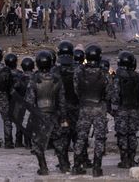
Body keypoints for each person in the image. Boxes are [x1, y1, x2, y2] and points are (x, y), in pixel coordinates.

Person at [25, 51, 67, 175]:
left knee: (38, 144)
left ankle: (43, 168)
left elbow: (29, 101)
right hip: (55, 115)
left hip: (39, 116)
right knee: (59, 142)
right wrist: (63, 117)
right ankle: (64, 166)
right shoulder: (57, 79)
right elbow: (62, 101)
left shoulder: (34, 79)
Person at [72, 45, 111, 177]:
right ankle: (96, 168)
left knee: (81, 138)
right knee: (99, 139)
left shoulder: (79, 71)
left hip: (84, 107)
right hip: (99, 107)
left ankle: (76, 166)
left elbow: (76, 90)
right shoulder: (104, 73)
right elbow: (109, 93)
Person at [111, 51, 139, 168]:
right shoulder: (137, 77)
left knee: (122, 135)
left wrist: (114, 109)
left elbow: (115, 94)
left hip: (122, 110)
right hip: (134, 110)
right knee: (132, 134)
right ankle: (132, 159)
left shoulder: (118, 77)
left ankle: (124, 160)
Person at [55, 41, 78, 169]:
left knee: (63, 136)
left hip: (60, 111)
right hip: (76, 108)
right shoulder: (79, 69)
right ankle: (80, 162)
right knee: (78, 136)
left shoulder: (55, 70)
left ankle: (64, 163)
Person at [4, 53, 24, 148]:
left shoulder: (3, 73)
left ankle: (8, 141)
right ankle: (18, 141)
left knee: (7, 121)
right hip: (17, 100)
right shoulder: (20, 74)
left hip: (5, 99)